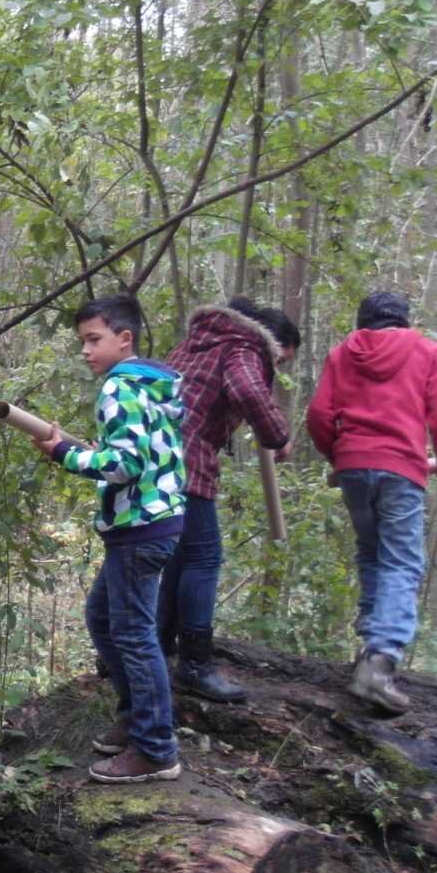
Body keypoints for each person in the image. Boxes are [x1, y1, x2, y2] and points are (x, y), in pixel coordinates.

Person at [30, 294, 188, 784]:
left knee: (135, 636)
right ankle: (137, 717)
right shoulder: (150, 385)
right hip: (150, 523)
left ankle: (155, 747)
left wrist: (64, 454)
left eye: (93, 339)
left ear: (125, 338)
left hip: (141, 528)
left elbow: (125, 465)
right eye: (82, 341)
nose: (86, 350)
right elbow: (141, 451)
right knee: (103, 618)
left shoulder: (119, 388)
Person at [304, 290, 437, 715]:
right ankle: (381, 660)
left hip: (354, 466)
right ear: (405, 322)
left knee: (373, 553)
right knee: (402, 560)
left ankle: (370, 650)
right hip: (401, 468)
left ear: (362, 323)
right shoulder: (430, 353)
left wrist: (337, 455)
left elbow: (318, 415)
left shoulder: (342, 354)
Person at [159, 297, 300, 702]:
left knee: (178, 557)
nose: (276, 367)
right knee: (205, 557)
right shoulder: (243, 346)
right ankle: (196, 665)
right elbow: (248, 391)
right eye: (281, 360)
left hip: (156, 457)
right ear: (270, 341)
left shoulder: (196, 343)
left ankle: (157, 645)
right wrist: (277, 436)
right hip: (186, 459)